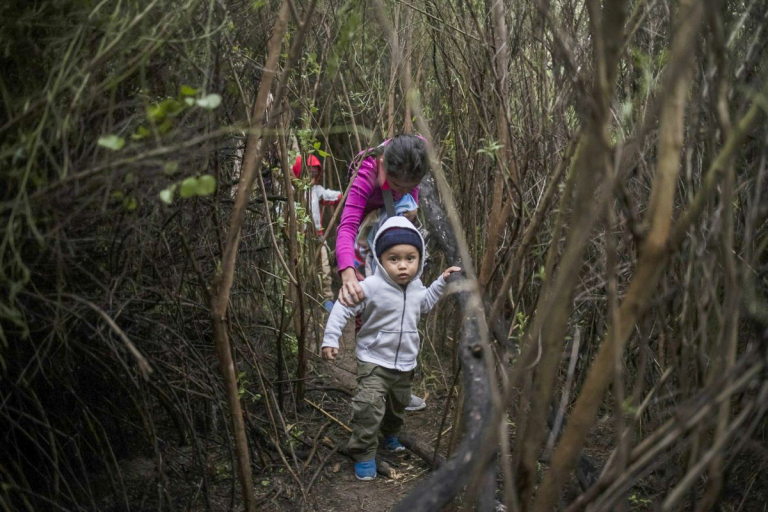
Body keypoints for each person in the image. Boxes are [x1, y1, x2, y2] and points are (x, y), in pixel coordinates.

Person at [322, 216, 461, 480]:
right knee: (369, 405)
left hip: (405, 362)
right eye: (393, 258)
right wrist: (330, 338)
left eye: (410, 258)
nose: (403, 266)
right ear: (380, 259)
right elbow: (344, 305)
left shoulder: (417, 286)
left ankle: (391, 435)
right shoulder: (372, 286)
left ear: (419, 259)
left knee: (397, 406)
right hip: (374, 359)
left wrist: (441, 281)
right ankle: (363, 453)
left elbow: (425, 303)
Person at [335, 134, 430, 411]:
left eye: (409, 186)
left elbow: (411, 190)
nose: (402, 189)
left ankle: (398, 387)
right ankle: (370, 384)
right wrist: (348, 272)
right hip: (365, 243)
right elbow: (348, 224)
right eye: (396, 184)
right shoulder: (366, 174)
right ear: (382, 164)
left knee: (404, 303)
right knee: (366, 309)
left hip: (393, 238)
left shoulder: (416, 153)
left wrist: (410, 204)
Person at [292, 155, 342, 312]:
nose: (312, 177)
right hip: (299, 237)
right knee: (302, 268)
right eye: (309, 173)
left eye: (315, 174)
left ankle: (327, 298)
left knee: (324, 267)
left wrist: (346, 192)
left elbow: (332, 195)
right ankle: (304, 300)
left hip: (318, 236)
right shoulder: (292, 192)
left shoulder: (316, 190)